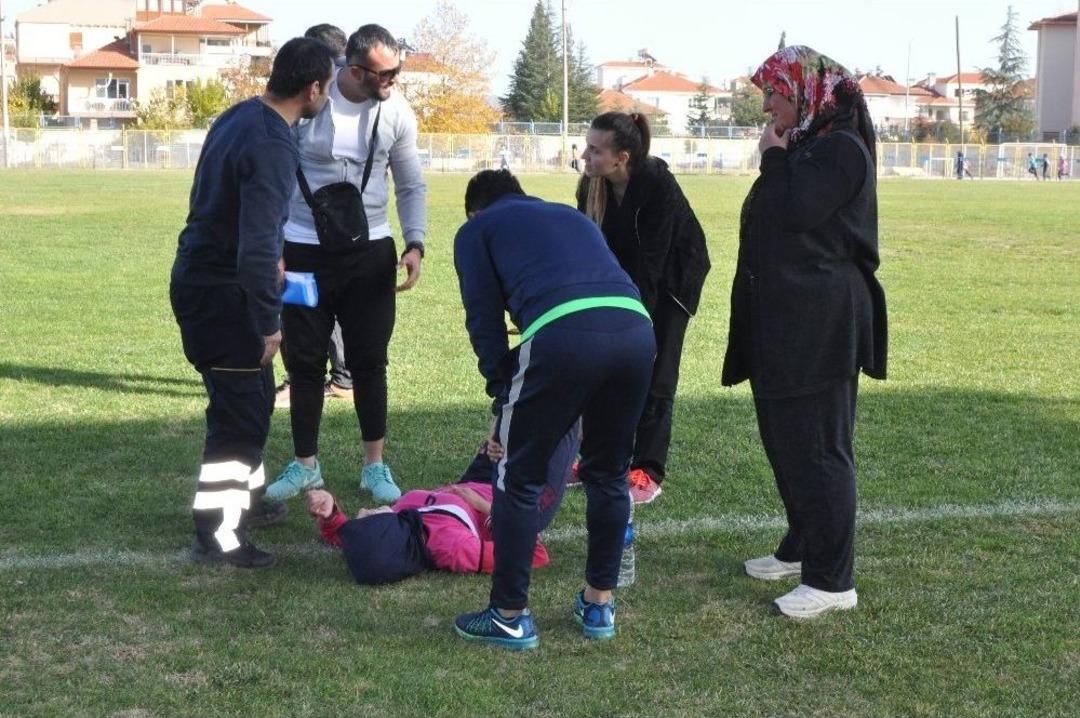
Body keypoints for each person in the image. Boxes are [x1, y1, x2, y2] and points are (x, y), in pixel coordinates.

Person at [452, 170, 655, 650]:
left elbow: (482, 319)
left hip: (563, 333)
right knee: (608, 471)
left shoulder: (476, 230)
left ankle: (508, 615)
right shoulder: (568, 214)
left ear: (474, 210)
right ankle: (599, 603)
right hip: (636, 329)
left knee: (518, 475)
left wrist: (502, 393)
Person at [721, 46, 887, 618]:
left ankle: (832, 579)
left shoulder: (840, 149)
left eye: (776, 94)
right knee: (785, 438)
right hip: (786, 320)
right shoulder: (809, 144)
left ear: (808, 93)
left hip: (821, 322)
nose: (767, 106)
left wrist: (772, 160)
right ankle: (801, 544)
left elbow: (795, 211)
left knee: (819, 447)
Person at [169, 38, 336, 568]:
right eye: (327, 87)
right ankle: (218, 534)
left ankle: (249, 502)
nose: (326, 96)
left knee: (254, 400)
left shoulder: (240, 116)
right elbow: (258, 246)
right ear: (312, 88)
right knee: (239, 418)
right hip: (223, 297)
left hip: (205, 281)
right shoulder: (272, 144)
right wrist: (268, 322)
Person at [266, 24, 427, 505]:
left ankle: (374, 466)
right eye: (387, 73)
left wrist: (415, 243)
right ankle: (305, 465)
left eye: (398, 71)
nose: (394, 81)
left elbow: (411, 183)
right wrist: (273, 244)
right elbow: (273, 175)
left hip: (370, 249)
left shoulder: (396, 111)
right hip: (300, 248)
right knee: (304, 360)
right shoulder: (310, 98)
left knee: (370, 361)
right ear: (354, 70)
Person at [576, 112, 711, 504]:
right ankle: (597, 457)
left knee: (657, 373)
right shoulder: (591, 185)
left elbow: (652, 265)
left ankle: (647, 470)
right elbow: (590, 248)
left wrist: (637, 329)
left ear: (621, 158)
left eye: (595, 150)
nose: (585, 155)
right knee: (603, 371)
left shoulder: (657, 185)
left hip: (672, 282)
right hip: (625, 280)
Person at [305, 421, 579, 583]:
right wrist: (486, 509)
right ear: (384, 531)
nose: (362, 510)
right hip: (521, 496)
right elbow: (532, 553)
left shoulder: (403, 518)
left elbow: (346, 537)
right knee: (566, 422)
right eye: (367, 517)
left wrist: (330, 512)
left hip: (481, 478)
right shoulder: (453, 548)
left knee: (510, 408)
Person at [274, 23, 354, 410]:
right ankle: (343, 376)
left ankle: (305, 377)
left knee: (303, 300)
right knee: (333, 299)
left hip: (306, 225)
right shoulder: (357, 98)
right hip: (345, 225)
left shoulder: (318, 100)